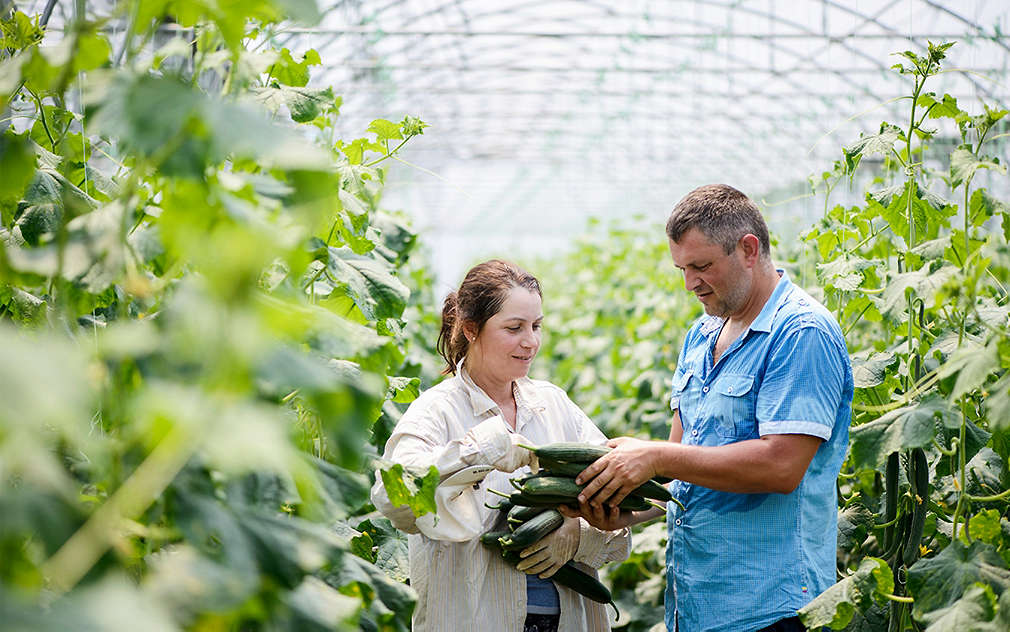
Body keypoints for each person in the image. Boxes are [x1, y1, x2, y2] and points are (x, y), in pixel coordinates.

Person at [562, 184, 853, 632]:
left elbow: (781, 466)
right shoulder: (701, 335)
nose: (689, 283)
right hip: (695, 606)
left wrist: (654, 455)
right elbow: (683, 478)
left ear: (749, 250)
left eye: (702, 266)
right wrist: (622, 507)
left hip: (770, 610)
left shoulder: (801, 332)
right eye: (682, 268)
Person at [370, 259, 631, 632]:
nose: (531, 341)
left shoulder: (553, 403)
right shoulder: (437, 410)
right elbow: (392, 497)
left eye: (536, 326)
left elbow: (620, 497)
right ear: (471, 329)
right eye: (514, 328)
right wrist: (482, 450)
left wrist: (578, 533)